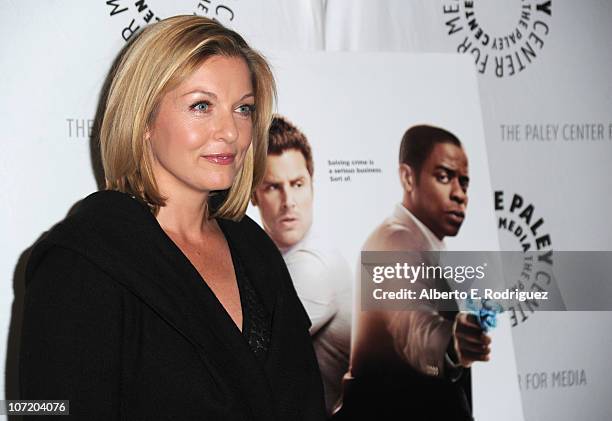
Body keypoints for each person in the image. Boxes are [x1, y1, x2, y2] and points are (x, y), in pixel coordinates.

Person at [19, 16, 325, 420]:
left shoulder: (254, 248)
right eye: (202, 106)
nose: (230, 132)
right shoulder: (80, 261)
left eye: (243, 109)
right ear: (144, 119)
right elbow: (45, 411)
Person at [338, 125, 491, 420]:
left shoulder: (422, 243)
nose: (459, 194)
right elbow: (413, 326)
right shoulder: (392, 243)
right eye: (444, 177)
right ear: (408, 177)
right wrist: (451, 346)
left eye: (465, 182)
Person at [252, 116, 351, 416]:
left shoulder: (312, 266)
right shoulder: (273, 258)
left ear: (312, 186)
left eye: (297, 184)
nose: (288, 201)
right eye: (272, 187)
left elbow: (242, 358)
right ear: (253, 195)